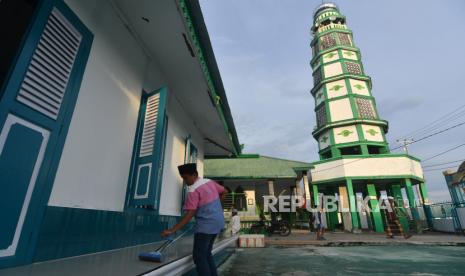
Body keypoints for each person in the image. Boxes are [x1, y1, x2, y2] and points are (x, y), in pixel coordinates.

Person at [161, 163, 226, 276]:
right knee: (206, 253)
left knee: (199, 256)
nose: (185, 181)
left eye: (186, 178)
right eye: (183, 178)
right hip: (218, 222)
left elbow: (190, 213)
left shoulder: (193, 190)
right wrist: (217, 205)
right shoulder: (209, 182)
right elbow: (225, 191)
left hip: (205, 226)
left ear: (194, 174)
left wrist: (172, 229)